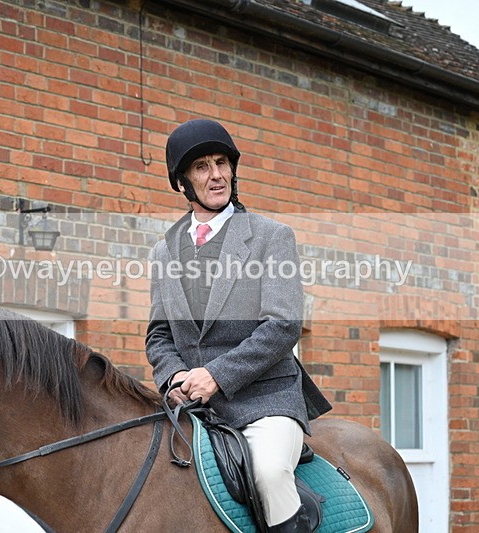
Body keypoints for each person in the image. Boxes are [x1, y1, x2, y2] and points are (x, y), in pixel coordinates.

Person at [146, 119, 332, 532]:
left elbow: (283, 325)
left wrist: (216, 375)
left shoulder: (271, 236)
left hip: (264, 400)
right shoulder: (163, 250)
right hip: (194, 408)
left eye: (221, 163)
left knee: (268, 472)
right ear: (181, 183)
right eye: (201, 167)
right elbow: (159, 334)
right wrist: (175, 374)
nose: (216, 175)